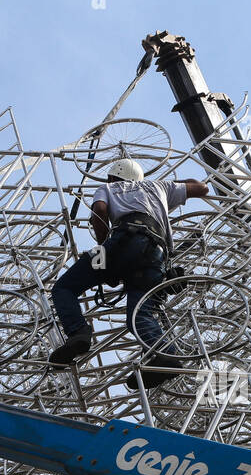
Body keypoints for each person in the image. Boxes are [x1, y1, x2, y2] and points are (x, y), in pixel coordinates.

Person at [47, 158, 209, 387]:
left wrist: (104, 250)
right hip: (155, 255)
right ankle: (166, 356)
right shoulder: (159, 187)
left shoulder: (107, 188)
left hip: (124, 241)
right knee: (139, 316)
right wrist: (171, 185)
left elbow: (100, 212)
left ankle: (78, 334)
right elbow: (201, 187)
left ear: (113, 177)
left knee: (64, 287)